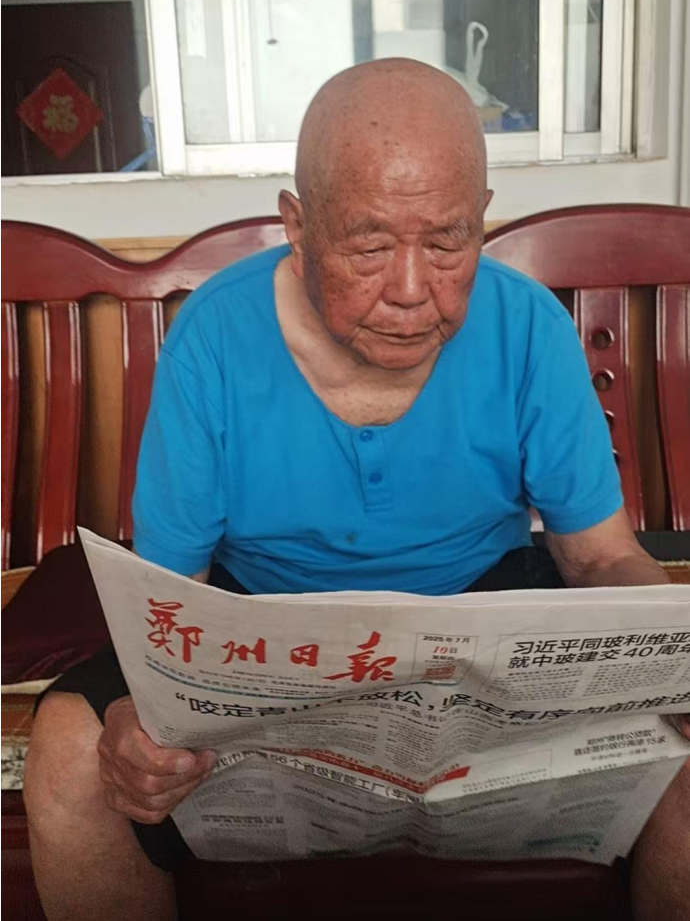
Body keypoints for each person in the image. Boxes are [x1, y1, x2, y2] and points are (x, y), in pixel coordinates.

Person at [24, 60, 689, 921]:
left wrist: (673, 665)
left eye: (447, 243)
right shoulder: (214, 339)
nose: (412, 292)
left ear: (482, 220)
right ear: (298, 228)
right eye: (370, 248)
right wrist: (138, 719)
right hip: (265, 628)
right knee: (71, 753)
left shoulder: (529, 329)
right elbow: (170, 596)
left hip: (484, 617)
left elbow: (600, 559)